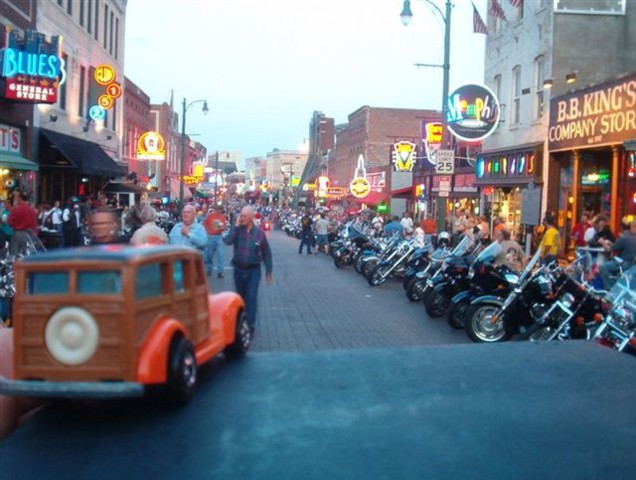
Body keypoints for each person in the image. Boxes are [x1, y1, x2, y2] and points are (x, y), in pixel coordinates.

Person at [223, 206, 273, 333]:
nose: (242, 218)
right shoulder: (237, 231)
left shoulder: (259, 233)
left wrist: (269, 270)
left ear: (251, 217)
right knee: (240, 297)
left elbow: (266, 252)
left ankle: (250, 324)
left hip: (253, 270)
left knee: (251, 296)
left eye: (245, 216)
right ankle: (241, 321)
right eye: (241, 216)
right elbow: (227, 241)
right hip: (238, 269)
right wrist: (235, 226)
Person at [599, 219, 636, 288]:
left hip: (623, 263)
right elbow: (617, 246)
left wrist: (602, 242)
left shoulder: (624, 238)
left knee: (603, 267)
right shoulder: (632, 238)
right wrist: (611, 243)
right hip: (632, 265)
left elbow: (609, 249)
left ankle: (611, 288)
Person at [8, 191, 38, 255]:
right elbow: (34, 224)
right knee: (27, 254)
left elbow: (10, 223)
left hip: (17, 234)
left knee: (15, 255)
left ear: (20, 198)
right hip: (29, 235)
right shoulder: (32, 210)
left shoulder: (15, 209)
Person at [202, 206, 228, 277]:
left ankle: (220, 271)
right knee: (209, 255)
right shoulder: (209, 216)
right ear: (215, 209)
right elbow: (204, 224)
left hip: (218, 237)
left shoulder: (222, 217)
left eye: (220, 209)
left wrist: (222, 228)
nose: (219, 211)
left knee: (220, 253)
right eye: (218, 209)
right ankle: (209, 268)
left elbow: (224, 226)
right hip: (210, 237)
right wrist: (207, 231)